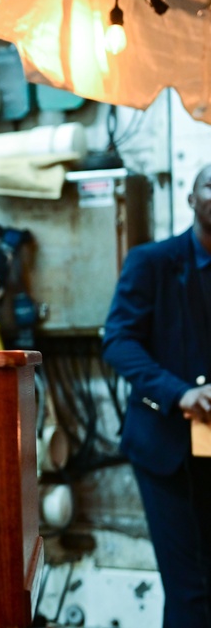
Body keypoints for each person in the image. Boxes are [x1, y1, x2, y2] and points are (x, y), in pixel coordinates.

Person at [103, 164, 211, 628]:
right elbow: (118, 342)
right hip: (167, 448)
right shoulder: (153, 262)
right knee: (191, 589)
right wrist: (178, 392)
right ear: (191, 198)